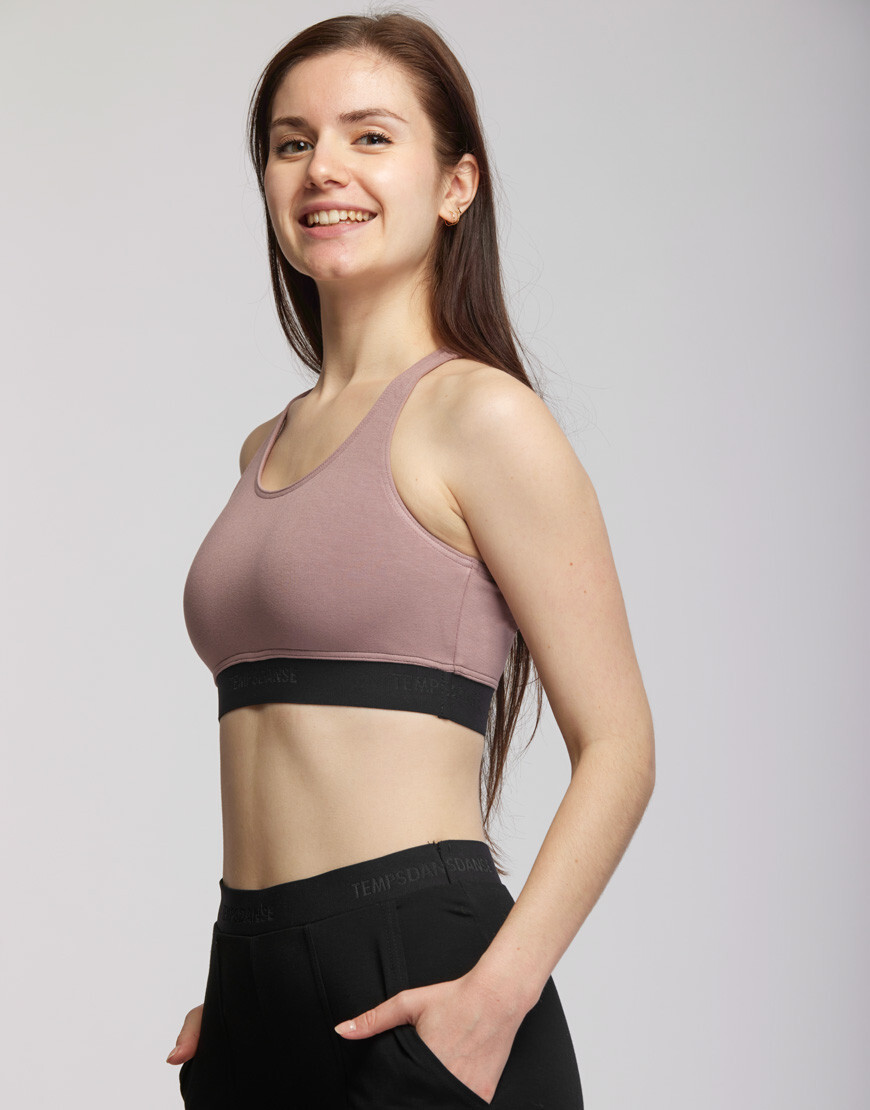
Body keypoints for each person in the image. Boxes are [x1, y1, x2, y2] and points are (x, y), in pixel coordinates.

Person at [167, 10, 655, 1108]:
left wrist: (496, 999)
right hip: (251, 987)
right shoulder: (264, 445)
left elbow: (621, 746)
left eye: (371, 136)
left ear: (455, 185)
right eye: (292, 142)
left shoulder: (481, 417)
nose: (323, 167)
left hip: (424, 977)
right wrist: (246, 988)